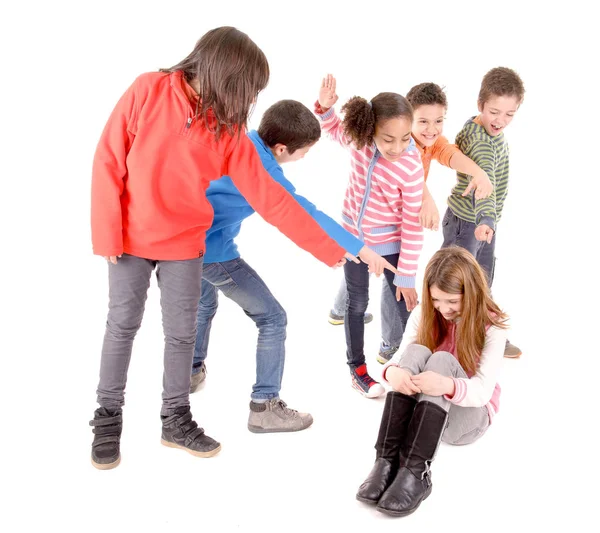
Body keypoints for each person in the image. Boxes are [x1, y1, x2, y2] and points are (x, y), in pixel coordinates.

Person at [89, 27, 365, 470]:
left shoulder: (230, 130)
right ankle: (107, 421)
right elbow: (108, 157)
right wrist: (106, 234)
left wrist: (330, 249)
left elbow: (273, 200)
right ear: (226, 72)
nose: (251, 97)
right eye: (250, 87)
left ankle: (175, 419)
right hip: (129, 237)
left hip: (186, 243)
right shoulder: (148, 88)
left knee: (181, 335)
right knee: (122, 325)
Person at [190, 99, 395, 433]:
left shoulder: (239, 140)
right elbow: (303, 211)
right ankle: (264, 405)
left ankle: (191, 371)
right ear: (282, 147)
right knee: (272, 318)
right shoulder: (264, 169)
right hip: (212, 252)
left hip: (185, 244)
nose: (304, 157)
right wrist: (359, 247)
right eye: (304, 152)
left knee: (203, 303)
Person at [329, 82, 494, 363]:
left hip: (389, 229)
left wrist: (479, 173)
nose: (431, 129)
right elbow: (338, 133)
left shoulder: (417, 152)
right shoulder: (372, 142)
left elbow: (447, 158)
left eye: (439, 121)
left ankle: (389, 344)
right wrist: (425, 198)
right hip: (358, 231)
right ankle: (342, 313)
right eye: (424, 122)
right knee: (358, 278)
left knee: (392, 286)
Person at [356, 246, 508, 517]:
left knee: (440, 360)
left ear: (471, 293)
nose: (443, 308)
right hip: (428, 413)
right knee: (417, 351)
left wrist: (447, 385)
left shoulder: (492, 327)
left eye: (452, 301)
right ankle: (386, 461)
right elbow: (404, 357)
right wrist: (393, 373)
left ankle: (416, 471)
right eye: (437, 300)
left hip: (468, 420)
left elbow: (483, 392)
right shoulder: (426, 312)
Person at [315, 74, 424, 398]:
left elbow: (411, 225)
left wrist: (406, 274)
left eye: (405, 138)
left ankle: (405, 367)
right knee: (357, 301)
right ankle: (358, 370)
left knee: (403, 303)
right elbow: (334, 130)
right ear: (372, 130)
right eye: (388, 139)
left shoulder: (410, 167)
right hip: (353, 238)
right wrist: (324, 108)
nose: (398, 147)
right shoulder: (360, 142)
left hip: (390, 242)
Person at [442, 67, 525, 358]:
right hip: (469, 222)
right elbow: (483, 183)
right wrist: (486, 219)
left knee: (483, 278)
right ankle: (448, 337)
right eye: (494, 112)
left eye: (509, 114)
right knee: (456, 282)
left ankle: (484, 330)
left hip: (481, 224)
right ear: (480, 106)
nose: (500, 121)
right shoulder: (481, 144)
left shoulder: (479, 127)